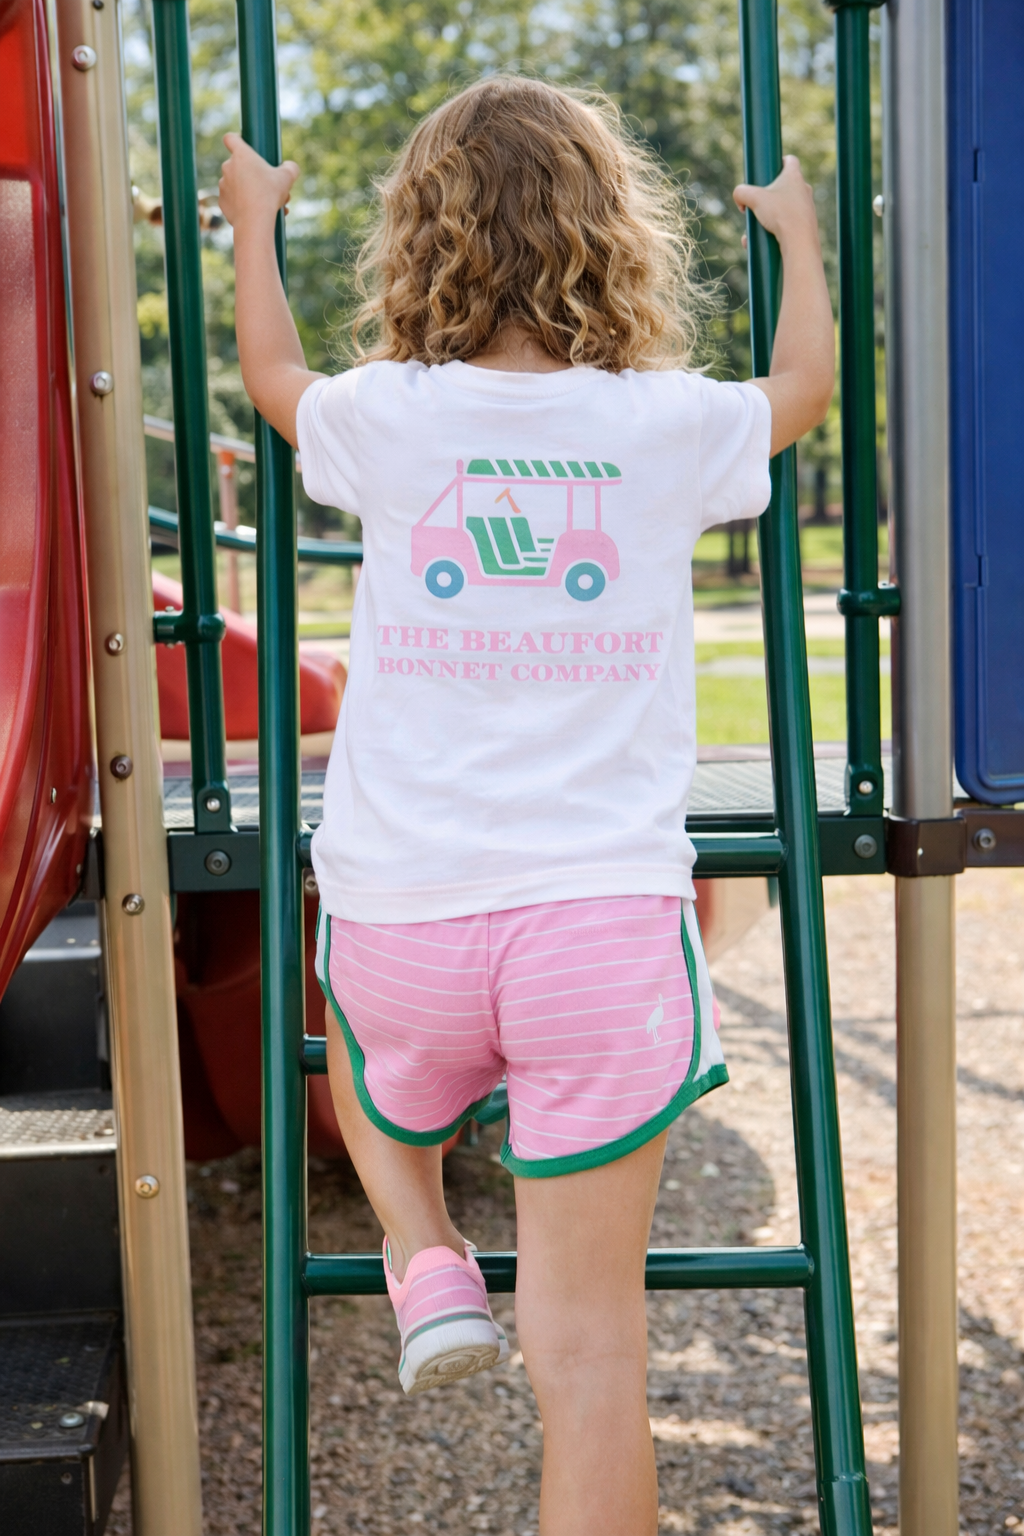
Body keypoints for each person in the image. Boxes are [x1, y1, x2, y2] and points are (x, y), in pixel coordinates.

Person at [219, 75, 833, 1536]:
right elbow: (804, 388)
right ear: (610, 232)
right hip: (601, 932)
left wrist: (252, 227)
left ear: (421, 238)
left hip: (406, 917)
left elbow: (270, 373)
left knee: (363, 1064)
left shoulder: (388, 415)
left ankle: (423, 1248)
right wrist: (800, 241)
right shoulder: (666, 422)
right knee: (597, 1359)